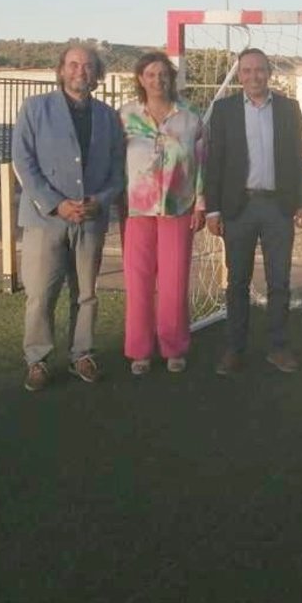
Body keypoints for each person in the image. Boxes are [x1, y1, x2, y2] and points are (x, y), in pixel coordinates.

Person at [12, 43, 124, 392]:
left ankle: (82, 355)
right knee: (40, 294)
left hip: (90, 219)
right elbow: (23, 162)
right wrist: (56, 204)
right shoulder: (35, 108)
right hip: (45, 219)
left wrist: (100, 201)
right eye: (74, 64)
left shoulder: (108, 116)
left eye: (88, 66)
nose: (80, 71)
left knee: (86, 293)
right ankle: (37, 359)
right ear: (61, 70)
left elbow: (118, 170)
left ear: (97, 74)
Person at [205, 48, 302, 375]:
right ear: (239, 75)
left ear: (269, 73)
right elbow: (214, 162)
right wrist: (212, 210)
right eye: (247, 70)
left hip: (278, 207)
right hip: (238, 208)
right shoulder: (223, 110)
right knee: (237, 281)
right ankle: (235, 349)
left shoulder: (288, 108)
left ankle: (278, 348)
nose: (254, 76)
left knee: (279, 282)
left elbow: (300, 157)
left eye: (260, 70)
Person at [119, 51, 206, 376]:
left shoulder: (191, 117)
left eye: (163, 74)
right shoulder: (125, 115)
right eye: (150, 75)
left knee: (174, 281)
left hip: (178, 208)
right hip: (137, 210)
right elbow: (115, 160)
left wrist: (200, 203)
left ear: (171, 78)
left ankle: (174, 347)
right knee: (138, 281)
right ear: (141, 79)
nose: (157, 80)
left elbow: (202, 163)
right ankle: (139, 350)